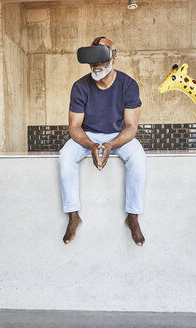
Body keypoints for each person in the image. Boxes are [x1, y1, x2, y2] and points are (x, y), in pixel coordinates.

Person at [58, 36, 146, 246]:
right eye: (93, 60)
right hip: (87, 135)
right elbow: (74, 126)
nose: (96, 65)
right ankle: (73, 216)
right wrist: (90, 144)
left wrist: (111, 145)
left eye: (101, 58)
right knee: (65, 156)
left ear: (113, 58)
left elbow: (131, 127)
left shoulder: (128, 85)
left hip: (119, 135)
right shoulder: (80, 86)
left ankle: (132, 216)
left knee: (138, 157)